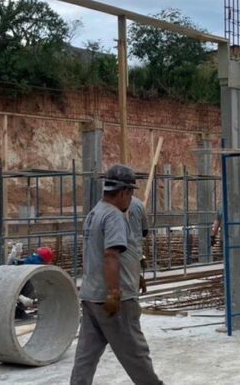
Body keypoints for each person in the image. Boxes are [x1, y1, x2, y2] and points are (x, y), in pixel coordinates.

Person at [70, 164, 162, 385]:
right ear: (124, 192)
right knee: (136, 355)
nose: (130, 200)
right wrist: (114, 293)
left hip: (90, 297)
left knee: (86, 357)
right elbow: (111, 255)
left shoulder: (94, 213)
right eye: (130, 194)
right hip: (112, 301)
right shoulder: (113, 216)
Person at [8, 245, 53, 320]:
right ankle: (19, 311)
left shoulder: (32, 259)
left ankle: (18, 308)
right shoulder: (37, 263)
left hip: (14, 279)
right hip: (19, 282)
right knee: (32, 285)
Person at [128, 194, 149, 293]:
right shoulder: (139, 204)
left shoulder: (112, 207)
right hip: (135, 248)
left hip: (121, 249)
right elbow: (145, 230)